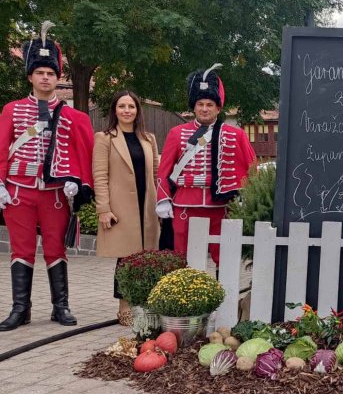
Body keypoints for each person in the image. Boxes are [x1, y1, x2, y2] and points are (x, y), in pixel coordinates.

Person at [0, 22, 94, 330]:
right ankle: (20, 308)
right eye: (40, 72)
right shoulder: (11, 111)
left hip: (54, 192)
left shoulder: (73, 116)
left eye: (50, 73)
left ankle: (60, 306)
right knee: (22, 249)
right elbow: (2, 148)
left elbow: (84, 153)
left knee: (55, 248)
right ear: (30, 76)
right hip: (18, 190)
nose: (45, 78)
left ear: (57, 77)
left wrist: (76, 180)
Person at [155, 64, 256, 264]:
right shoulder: (177, 133)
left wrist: (246, 196)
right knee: (181, 257)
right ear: (193, 106)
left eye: (209, 104)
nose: (204, 109)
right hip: (185, 203)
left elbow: (250, 167)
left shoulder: (235, 134)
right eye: (200, 104)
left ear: (218, 107)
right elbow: (165, 169)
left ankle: (224, 293)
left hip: (220, 205)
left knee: (225, 257)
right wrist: (163, 198)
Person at [93, 91, 160, 324]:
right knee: (126, 260)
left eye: (131, 106)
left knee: (147, 258)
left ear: (137, 110)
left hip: (147, 206)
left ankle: (146, 303)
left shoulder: (148, 138)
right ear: (114, 110)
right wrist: (103, 208)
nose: (127, 110)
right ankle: (124, 306)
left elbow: (157, 173)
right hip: (121, 208)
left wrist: (161, 203)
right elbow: (99, 176)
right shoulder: (105, 138)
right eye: (122, 106)